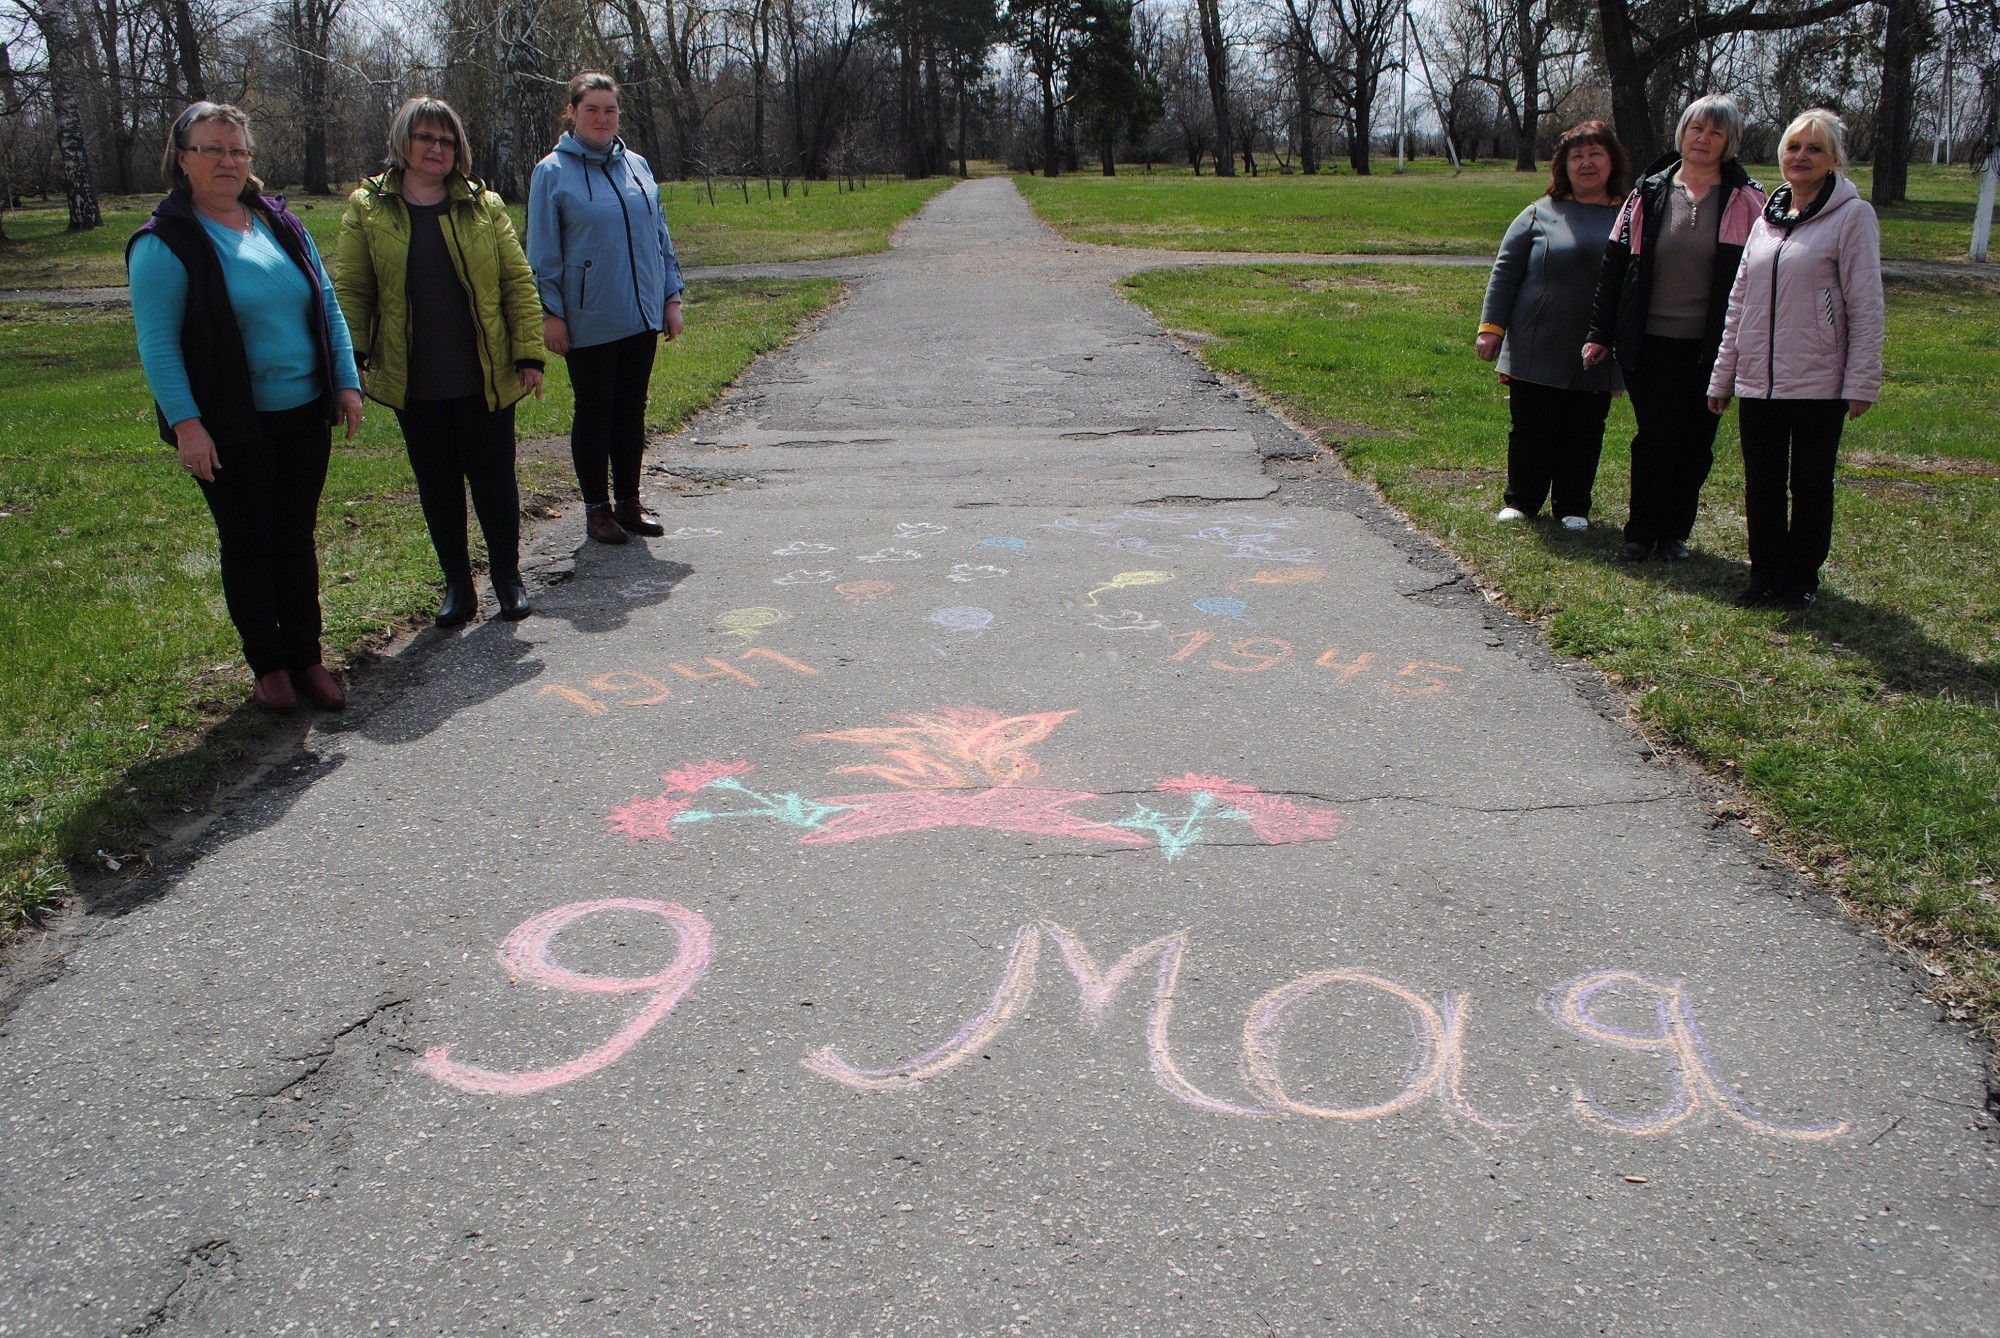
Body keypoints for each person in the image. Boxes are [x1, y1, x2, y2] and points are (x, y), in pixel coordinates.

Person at [127, 102, 364, 712]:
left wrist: (344, 380)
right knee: (248, 541)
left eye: (237, 150)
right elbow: (157, 344)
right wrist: (187, 425)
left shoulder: (278, 222)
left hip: (303, 410)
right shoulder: (166, 242)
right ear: (183, 160)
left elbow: (327, 302)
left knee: (294, 537)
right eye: (211, 149)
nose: (227, 161)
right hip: (231, 423)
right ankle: (269, 666)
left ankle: (308, 658)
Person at [336, 96, 548, 626]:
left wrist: (529, 353)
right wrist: (349, 362)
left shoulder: (485, 205)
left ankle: (507, 578)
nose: (436, 148)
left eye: (447, 140)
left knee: (495, 480)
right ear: (402, 143)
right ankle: (458, 584)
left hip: (485, 373)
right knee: (437, 485)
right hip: (416, 378)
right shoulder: (367, 208)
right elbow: (354, 291)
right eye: (426, 138)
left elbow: (516, 282)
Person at [1707, 109, 1883, 610]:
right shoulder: (1766, 218)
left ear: (1832, 160)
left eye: (1814, 149)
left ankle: (1801, 578)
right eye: (1793, 147)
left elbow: (1865, 303)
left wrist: (1861, 382)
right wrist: (1724, 377)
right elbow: (1738, 304)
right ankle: (1764, 574)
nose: (1800, 157)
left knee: (1808, 483)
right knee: (1761, 482)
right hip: (1758, 382)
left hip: (1819, 382)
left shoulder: (1853, 216)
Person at [1583, 94, 1767, 562]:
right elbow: (1614, 266)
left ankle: (1673, 534)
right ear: (1681, 133)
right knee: (1657, 436)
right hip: (1650, 342)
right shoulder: (1647, 192)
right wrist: (1600, 333)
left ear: (1730, 142)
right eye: (1696, 128)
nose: (1703, 139)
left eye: (1716, 132)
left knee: (1696, 443)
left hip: (1713, 347)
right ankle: (1640, 532)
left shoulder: (1748, 201)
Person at [527, 71, 685, 546]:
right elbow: (542, 252)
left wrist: (670, 297)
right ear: (572, 113)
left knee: (631, 409)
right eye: (591, 109)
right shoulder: (552, 172)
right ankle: (597, 509)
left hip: (640, 314)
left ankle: (629, 502)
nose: (602, 118)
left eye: (609, 109)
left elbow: (661, 236)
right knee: (595, 410)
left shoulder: (636, 164)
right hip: (588, 316)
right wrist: (549, 312)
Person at [1476, 120, 1631, 531]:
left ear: (1612, 161)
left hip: (1598, 346)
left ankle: (1573, 506)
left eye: (1596, 154)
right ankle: (1522, 500)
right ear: (1563, 167)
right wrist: (1491, 329)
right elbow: (1505, 272)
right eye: (1576, 156)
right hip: (1536, 342)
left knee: (1584, 428)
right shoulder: (1537, 213)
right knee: (1532, 427)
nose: (1586, 163)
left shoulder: (1631, 215)